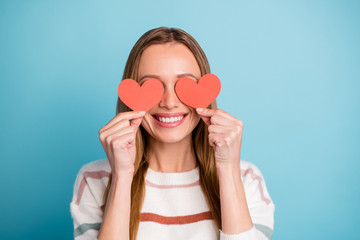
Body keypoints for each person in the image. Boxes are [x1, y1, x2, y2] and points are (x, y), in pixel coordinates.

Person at [70, 26, 275, 240]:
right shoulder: (94, 180)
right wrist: (121, 178)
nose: (169, 103)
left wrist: (227, 170)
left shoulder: (247, 179)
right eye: (152, 85)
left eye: (183, 84)